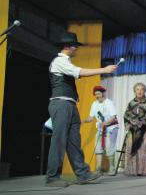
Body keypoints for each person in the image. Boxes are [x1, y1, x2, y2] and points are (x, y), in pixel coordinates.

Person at [46, 32, 118, 187]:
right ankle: (52, 177)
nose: (77, 49)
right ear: (66, 47)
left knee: (73, 141)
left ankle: (82, 173)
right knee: (59, 141)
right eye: (75, 46)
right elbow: (80, 72)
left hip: (70, 104)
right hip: (61, 104)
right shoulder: (59, 61)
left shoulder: (66, 62)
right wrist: (103, 69)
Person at [81, 86, 119, 176]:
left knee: (109, 148)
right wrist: (83, 121)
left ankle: (112, 168)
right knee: (98, 148)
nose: (97, 96)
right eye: (96, 94)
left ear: (103, 93)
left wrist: (104, 123)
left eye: (99, 94)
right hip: (101, 128)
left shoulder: (109, 103)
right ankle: (98, 168)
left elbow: (113, 118)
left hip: (111, 127)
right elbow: (91, 117)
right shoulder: (94, 104)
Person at [123, 83, 146, 175]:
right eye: (137, 89)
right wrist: (127, 124)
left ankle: (144, 170)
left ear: (144, 91)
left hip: (144, 130)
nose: (139, 91)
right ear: (134, 91)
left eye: (141, 89)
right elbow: (126, 115)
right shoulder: (131, 103)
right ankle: (134, 170)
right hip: (133, 130)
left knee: (143, 149)